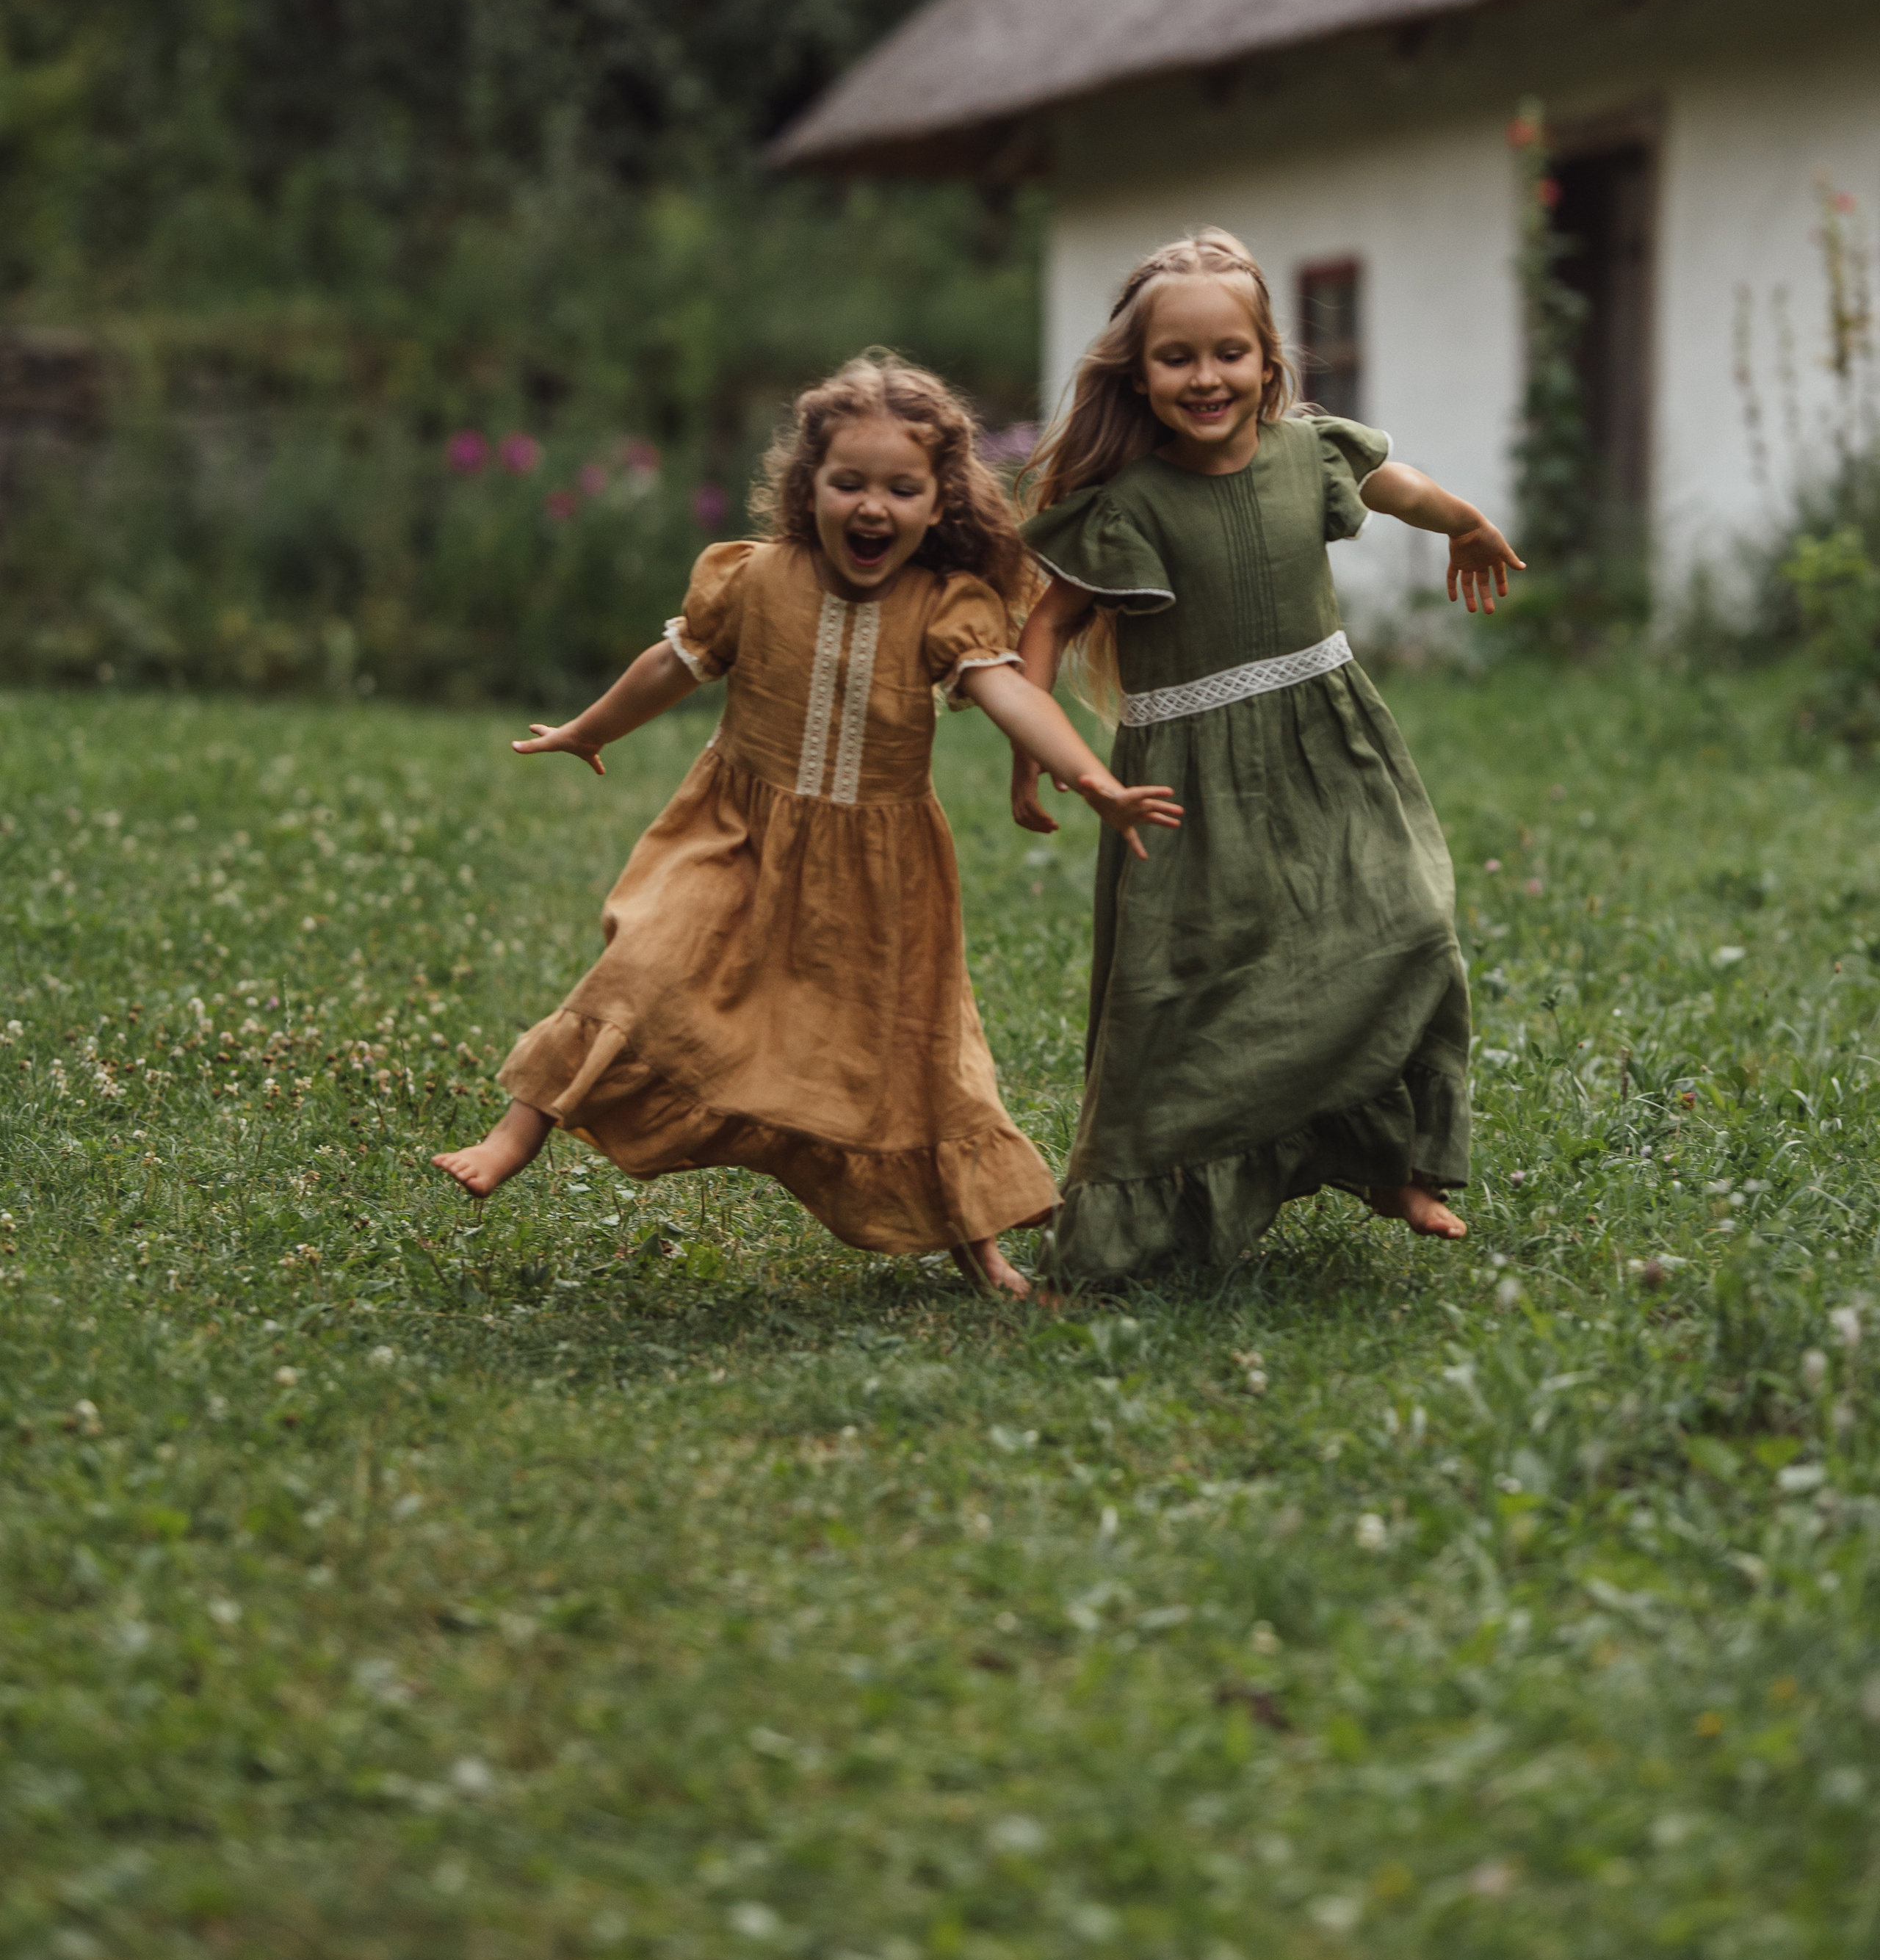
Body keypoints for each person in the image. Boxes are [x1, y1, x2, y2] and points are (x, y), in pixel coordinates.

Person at [433, 352, 1182, 1300]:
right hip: (736, 835)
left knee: (912, 1056)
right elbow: (673, 665)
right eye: (849, 483)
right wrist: (588, 728)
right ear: (809, 487)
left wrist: (1091, 778)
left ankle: (980, 1249)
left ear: (938, 504)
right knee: (645, 967)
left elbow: (1007, 692)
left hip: (882, 870)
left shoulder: (943, 607)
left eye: (902, 489)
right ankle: (512, 1134)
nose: (874, 507)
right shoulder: (753, 580)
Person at [1011, 228, 1522, 1290]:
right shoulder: (1129, 501)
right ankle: (1133, 1229)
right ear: (1138, 374)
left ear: (1268, 360)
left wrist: (1464, 521)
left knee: (1409, 919)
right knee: (1185, 987)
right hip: (1184, 775)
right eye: (1178, 358)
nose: (1208, 377)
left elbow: (1395, 482)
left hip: (1328, 737)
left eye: (1230, 353)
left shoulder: (1310, 450)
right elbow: (1049, 624)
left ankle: (1386, 1157)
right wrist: (1036, 756)